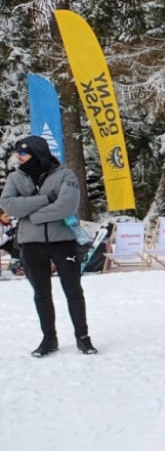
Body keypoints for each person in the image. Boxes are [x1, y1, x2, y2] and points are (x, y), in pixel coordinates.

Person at [0, 135, 98, 356]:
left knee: (73, 291)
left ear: (36, 153)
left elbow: (66, 206)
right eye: (17, 153)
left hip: (63, 241)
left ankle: (83, 337)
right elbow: (8, 205)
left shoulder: (65, 175)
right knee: (41, 293)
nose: (18, 157)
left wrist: (32, 215)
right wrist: (45, 200)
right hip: (31, 244)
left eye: (23, 152)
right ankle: (49, 339)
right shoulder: (16, 178)